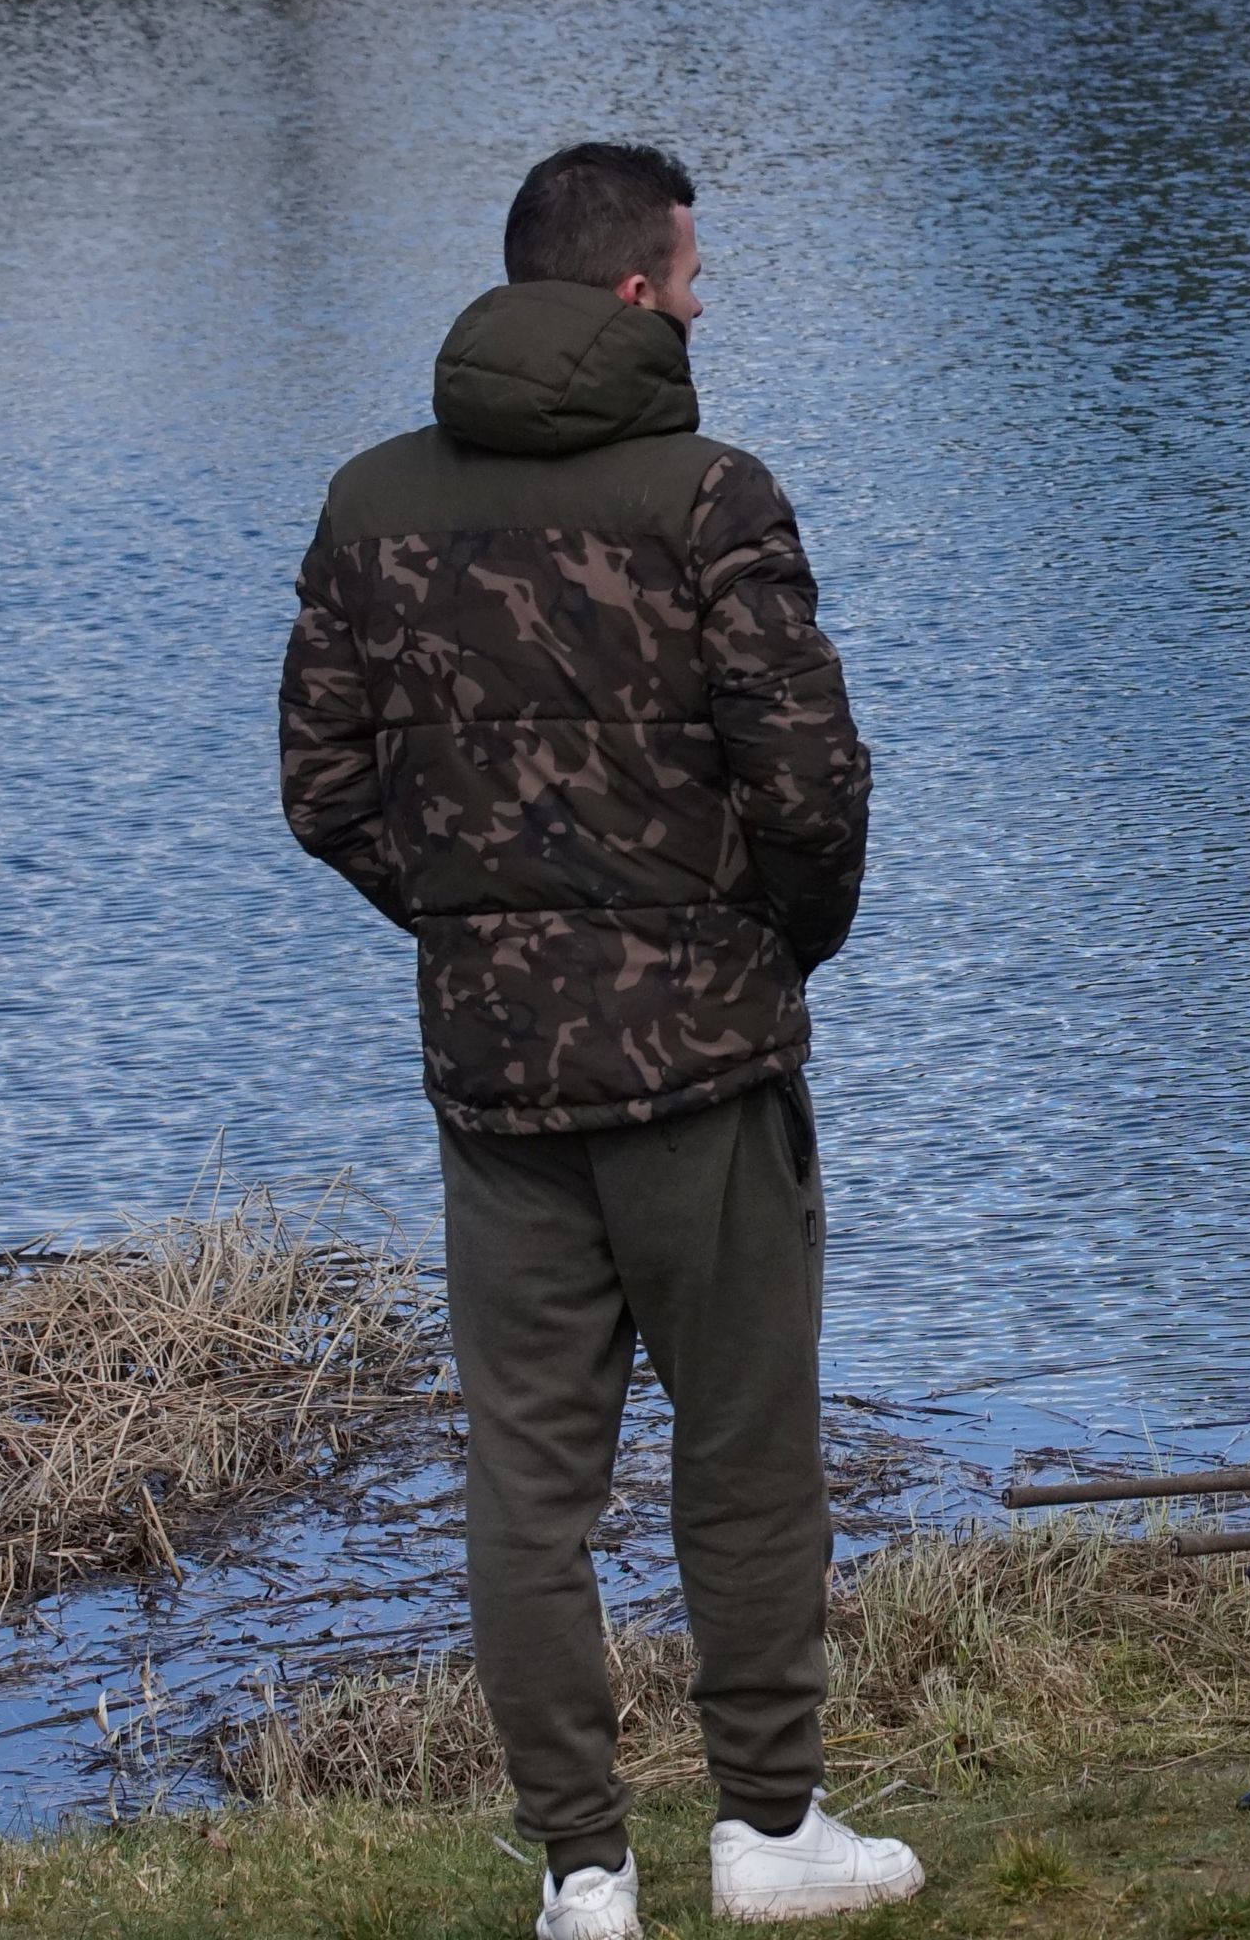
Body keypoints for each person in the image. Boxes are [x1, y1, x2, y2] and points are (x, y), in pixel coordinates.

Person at [278, 141, 909, 1938]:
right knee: (746, 1452)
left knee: (528, 1483)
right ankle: (768, 1835)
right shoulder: (712, 496)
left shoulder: (368, 503)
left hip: (499, 1080)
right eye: (699, 276)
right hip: (705, 1067)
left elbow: (323, 788)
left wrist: (477, 931)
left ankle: (585, 1877)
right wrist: (778, 943)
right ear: (635, 292)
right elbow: (813, 779)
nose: (709, 303)